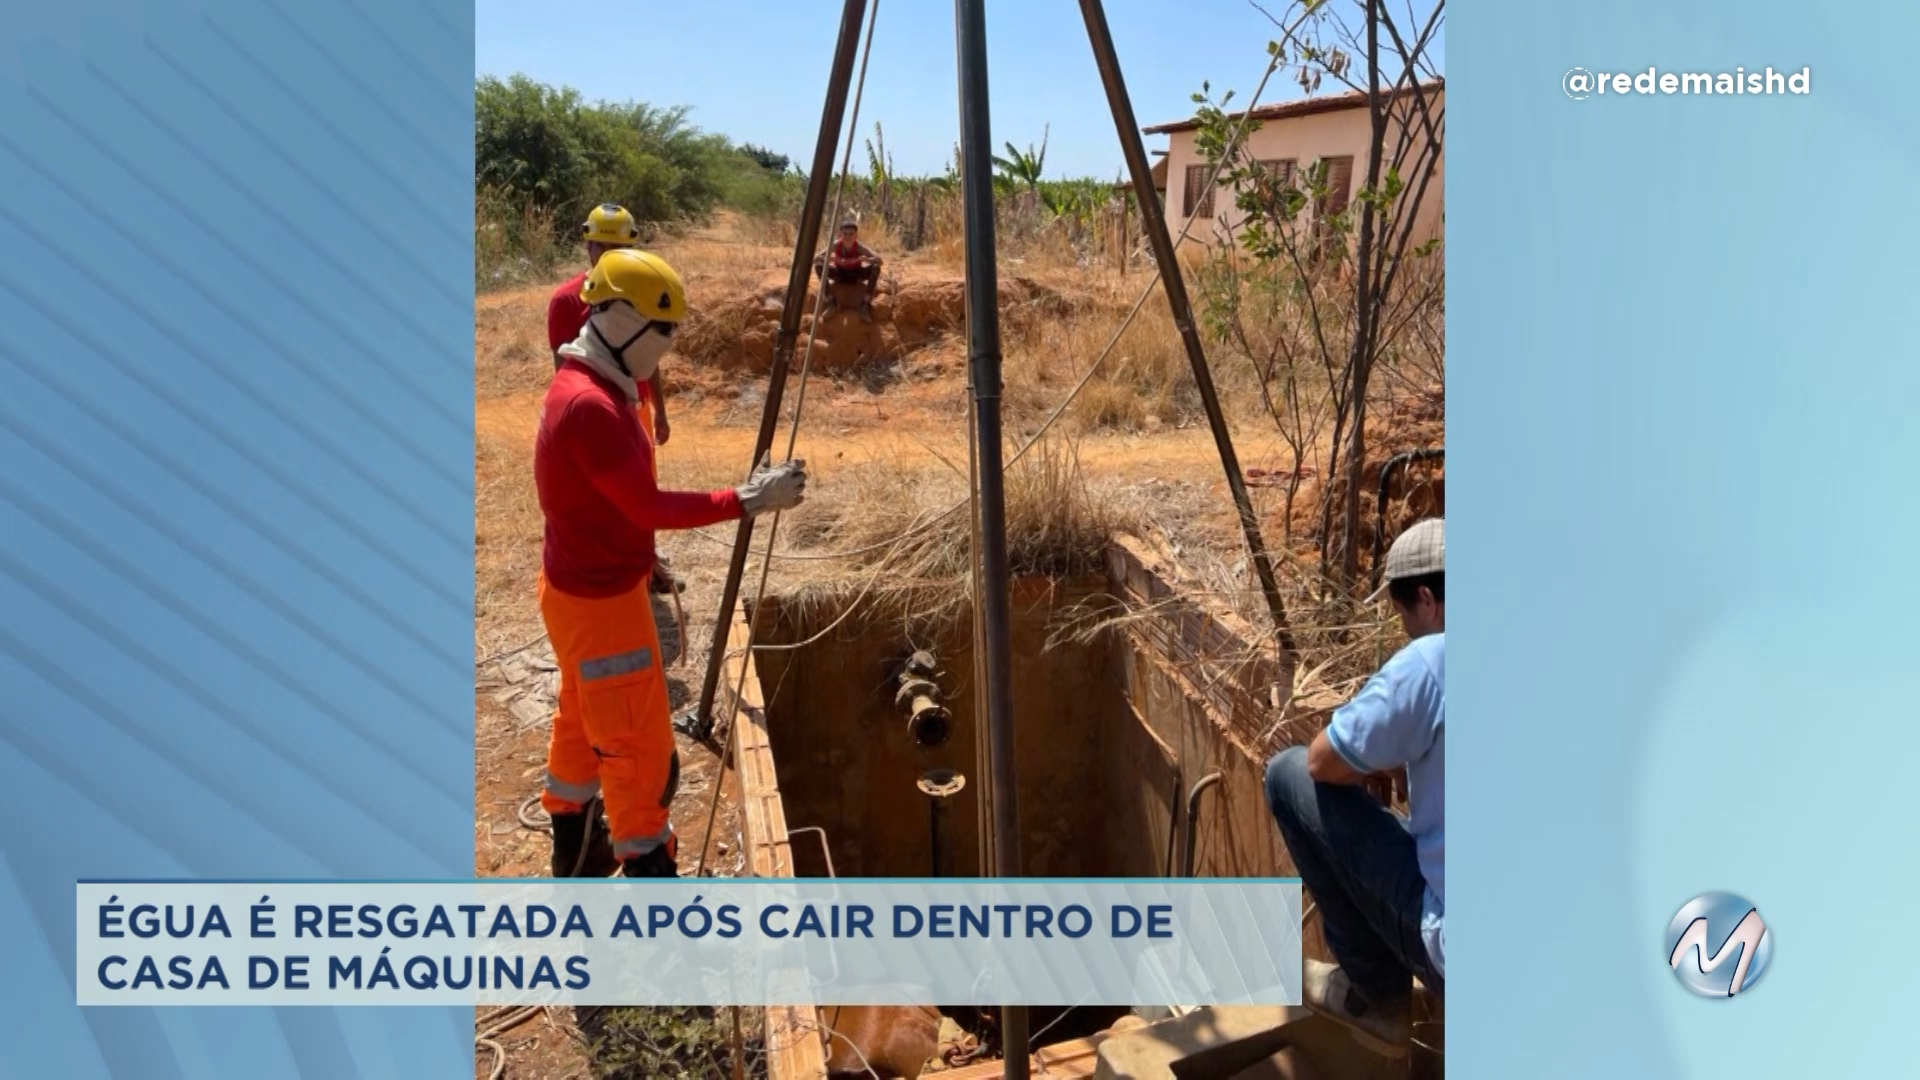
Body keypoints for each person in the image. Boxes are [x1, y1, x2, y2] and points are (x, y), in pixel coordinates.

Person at [536, 248, 808, 879]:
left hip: (580, 593)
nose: (668, 351)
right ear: (625, 321)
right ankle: (655, 895)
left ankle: (574, 849)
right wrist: (748, 500)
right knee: (639, 751)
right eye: (664, 335)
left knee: (583, 719)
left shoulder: (595, 384)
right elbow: (646, 506)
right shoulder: (591, 408)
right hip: (602, 606)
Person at [1264, 517, 1444, 1056]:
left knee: (1287, 775)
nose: (1407, 629)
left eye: (1404, 613)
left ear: (1427, 599)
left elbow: (1321, 762)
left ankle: (1377, 995)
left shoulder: (1432, 661)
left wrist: (1368, 762)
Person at [548, 203, 681, 595]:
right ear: (587, 245)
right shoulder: (567, 301)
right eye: (598, 246)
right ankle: (620, 569)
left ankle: (647, 562)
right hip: (599, 414)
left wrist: (659, 412)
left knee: (645, 493)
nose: (604, 255)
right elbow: (565, 372)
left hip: (635, 407)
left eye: (614, 248)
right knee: (607, 497)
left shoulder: (641, 294)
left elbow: (649, 358)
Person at [813, 216, 883, 320]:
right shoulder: (835, 245)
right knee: (818, 266)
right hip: (839, 275)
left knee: (876, 267)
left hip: (856, 275)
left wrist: (868, 260)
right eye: (845, 234)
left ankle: (865, 304)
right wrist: (827, 259)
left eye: (851, 234)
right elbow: (816, 258)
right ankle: (831, 302)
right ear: (840, 235)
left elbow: (879, 260)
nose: (848, 237)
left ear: (856, 236)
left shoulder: (859, 247)